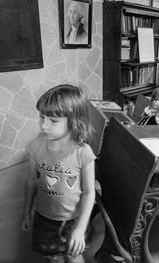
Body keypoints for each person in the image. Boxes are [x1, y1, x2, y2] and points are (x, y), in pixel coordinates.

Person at [22, 84, 97, 263]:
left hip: (73, 219)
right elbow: (31, 180)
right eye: (42, 117)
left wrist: (80, 228)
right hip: (44, 217)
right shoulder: (35, 146)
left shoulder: (83, 152)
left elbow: (89, 192)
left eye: (53, 121)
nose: (44, 125)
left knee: (74, 257)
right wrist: (26, 211)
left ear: (74, 120)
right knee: (54, 258)